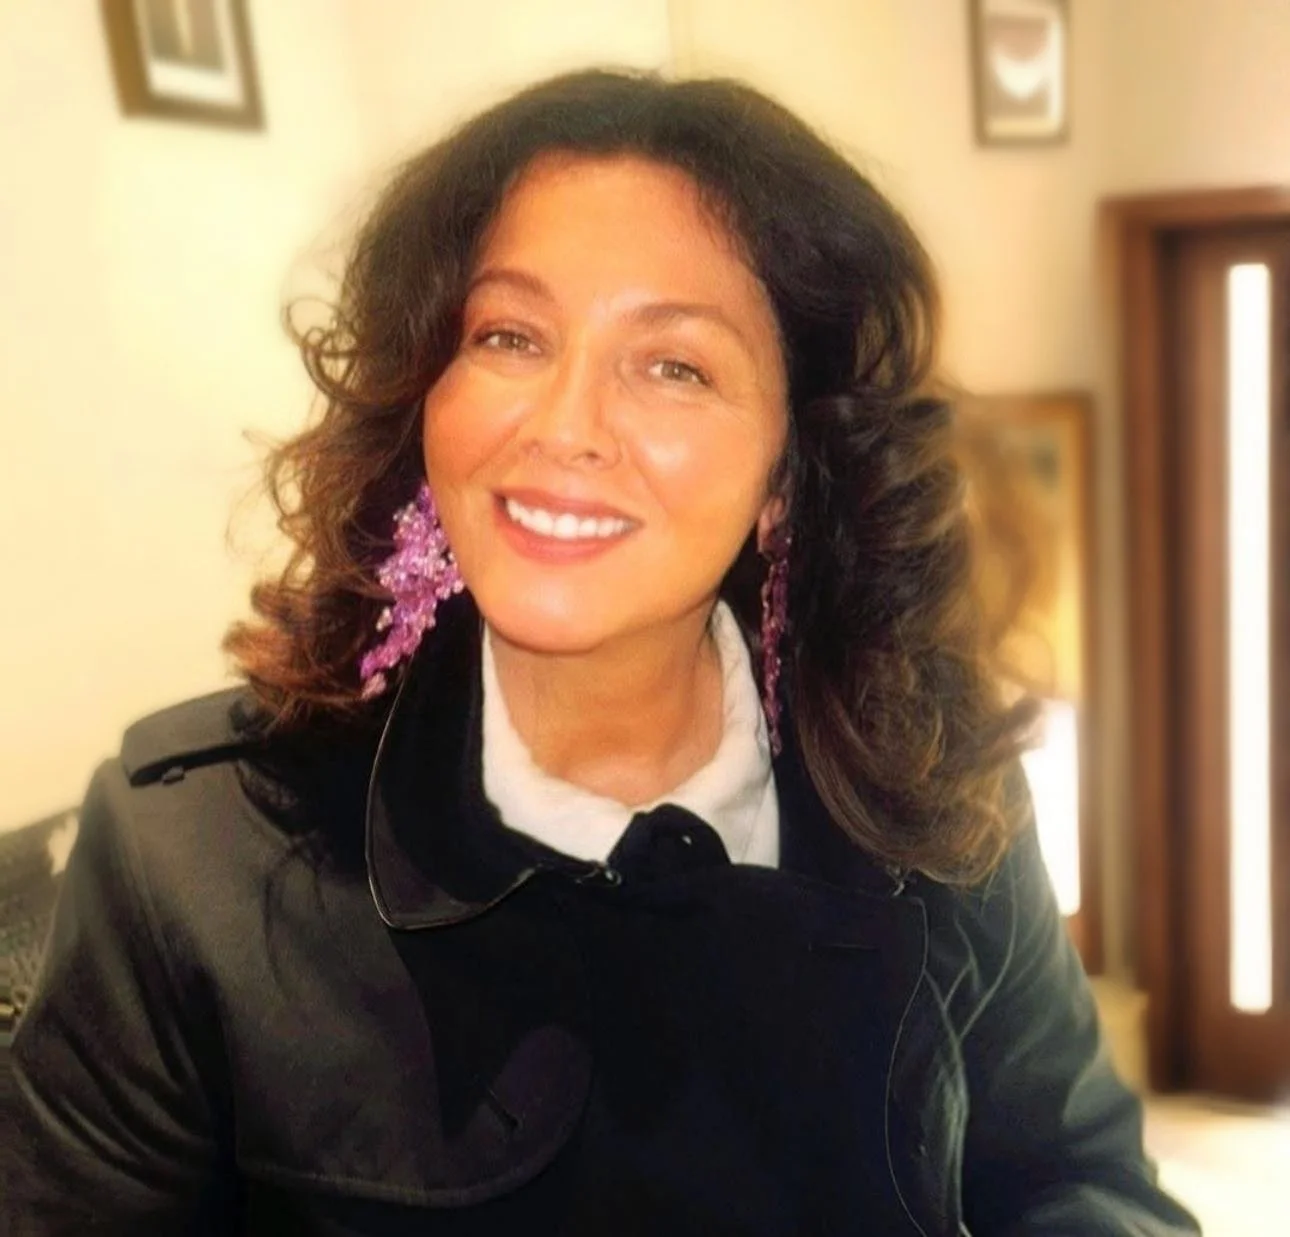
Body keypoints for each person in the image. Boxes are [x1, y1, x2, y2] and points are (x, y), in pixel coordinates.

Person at [5, 69, 1200, 1235]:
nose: (564, 425)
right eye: (510, 336)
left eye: (674, 365)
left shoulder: (928, 783)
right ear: (427, 398)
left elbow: (1078, 1177)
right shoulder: (190, 861)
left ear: (787, 477)